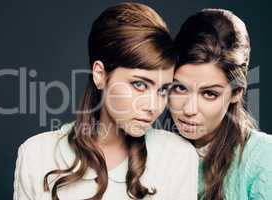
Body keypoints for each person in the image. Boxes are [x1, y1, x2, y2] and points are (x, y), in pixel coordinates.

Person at [13, 2, 198, 200]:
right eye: (140, 85)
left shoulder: (177, 157)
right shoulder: (37, 155)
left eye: (163, 90)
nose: (154, 106)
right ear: (100, 74)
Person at [165, 8, 272, 200]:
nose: (189, 110)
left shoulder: (263, 158)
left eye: (209, 93)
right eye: (180, 88)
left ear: (236, 92)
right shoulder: (151, 149)